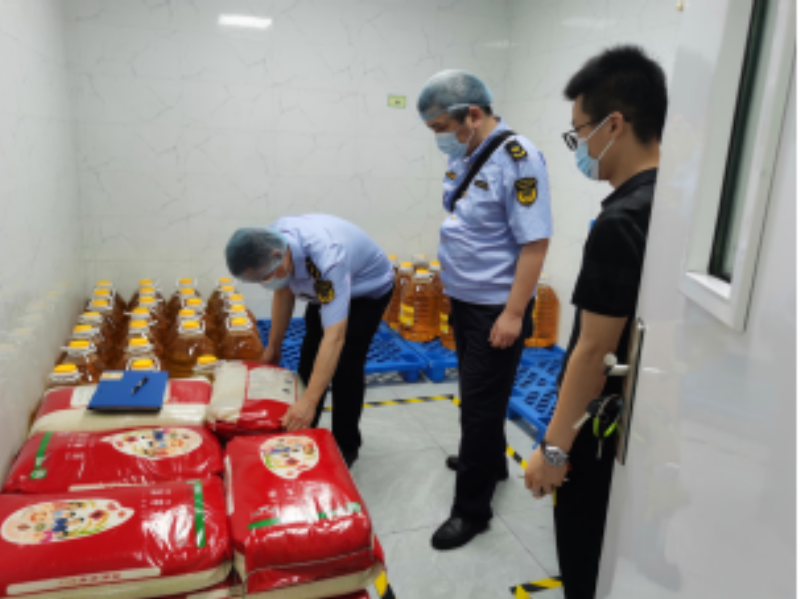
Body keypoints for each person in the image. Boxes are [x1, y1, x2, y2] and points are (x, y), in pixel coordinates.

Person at [523, 46, 668, 598]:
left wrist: (554, 451)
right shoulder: (678, 203)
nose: (579, 147)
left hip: (600, 430)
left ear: (614, 125)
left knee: (586, 557)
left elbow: (592, 351)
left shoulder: (621, 221)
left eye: (579, 132)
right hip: (651, 424)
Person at [417, 70, 552, 550]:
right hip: (465, 300)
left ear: (472, 115)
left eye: (441, 128)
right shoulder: (468, 152)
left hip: (496, 308)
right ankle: (491, 461)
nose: (439, 138)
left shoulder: (518, 157)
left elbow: (535, 243)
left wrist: (513, 314)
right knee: (480, 396)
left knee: (477, 408)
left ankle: (471, 512)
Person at [225, 215, 395, 468]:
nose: (266, 282)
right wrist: (273, 347)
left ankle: (345, 447)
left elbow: (335, 337)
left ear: (277, 255)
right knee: (309, 356)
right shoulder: (269, 243)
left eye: (266, 276)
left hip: (366, 290)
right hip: (324, 289)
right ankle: (303, 431)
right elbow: (283, 291)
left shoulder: (328, 258)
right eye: (260, 280)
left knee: (346, 364)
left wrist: (309, 401)